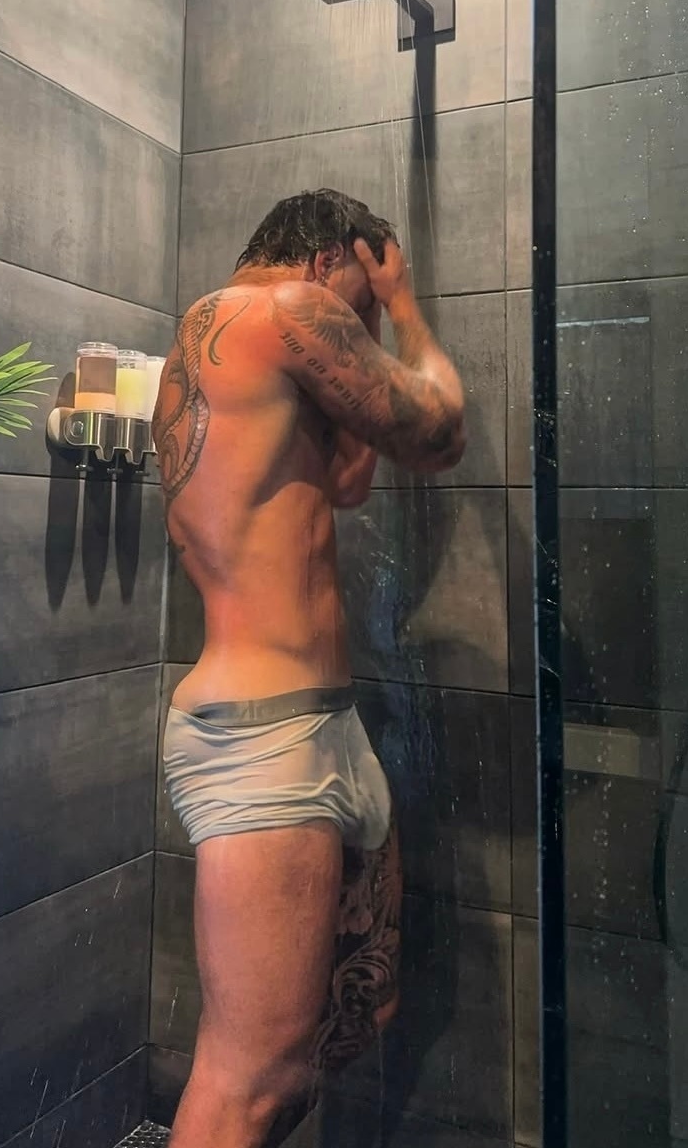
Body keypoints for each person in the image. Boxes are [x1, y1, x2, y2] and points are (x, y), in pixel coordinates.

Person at [153, 188, 467, 1148]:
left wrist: (361, 362)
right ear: (332, 260)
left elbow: (346, 483)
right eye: (356, 312)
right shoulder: (283, 311)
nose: (359, 336)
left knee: (352, 1017)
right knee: (248, 1080)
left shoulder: (234, 343)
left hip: (318, 722)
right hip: (264, 738)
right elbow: (439, 433)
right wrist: (402, 306)